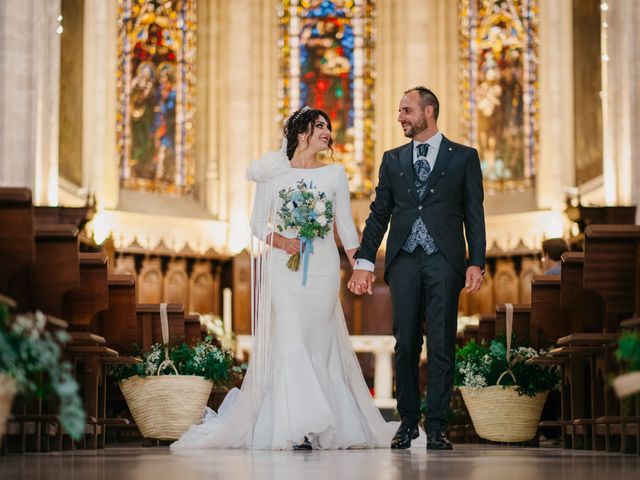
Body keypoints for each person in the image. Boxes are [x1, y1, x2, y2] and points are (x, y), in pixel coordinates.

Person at [171, 107, 391, 451]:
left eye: (329, 128)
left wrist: (361, 265)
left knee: (319, 342)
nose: (327, 133)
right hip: (283, 268)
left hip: (322, 267)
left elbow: (346, 225)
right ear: (301, 132)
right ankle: (297, 427)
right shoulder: (274, 173)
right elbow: (258, 225)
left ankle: (321, 426)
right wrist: (285, 241)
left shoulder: (335, 174)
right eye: (320, 126)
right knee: (291, 339)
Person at [348, 87, 487, 451]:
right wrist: (364, 261)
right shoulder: (392, 160)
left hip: (445, 259)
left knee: (441, 344)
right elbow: (380, 214)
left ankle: (437, 425)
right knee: (406, 341)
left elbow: (474, 213)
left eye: (406, 110)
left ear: (429, 111)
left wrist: (477, 262)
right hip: (405, 260)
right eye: (399, 111)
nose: (400, 118)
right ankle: (408, 422)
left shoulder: (464, 158)